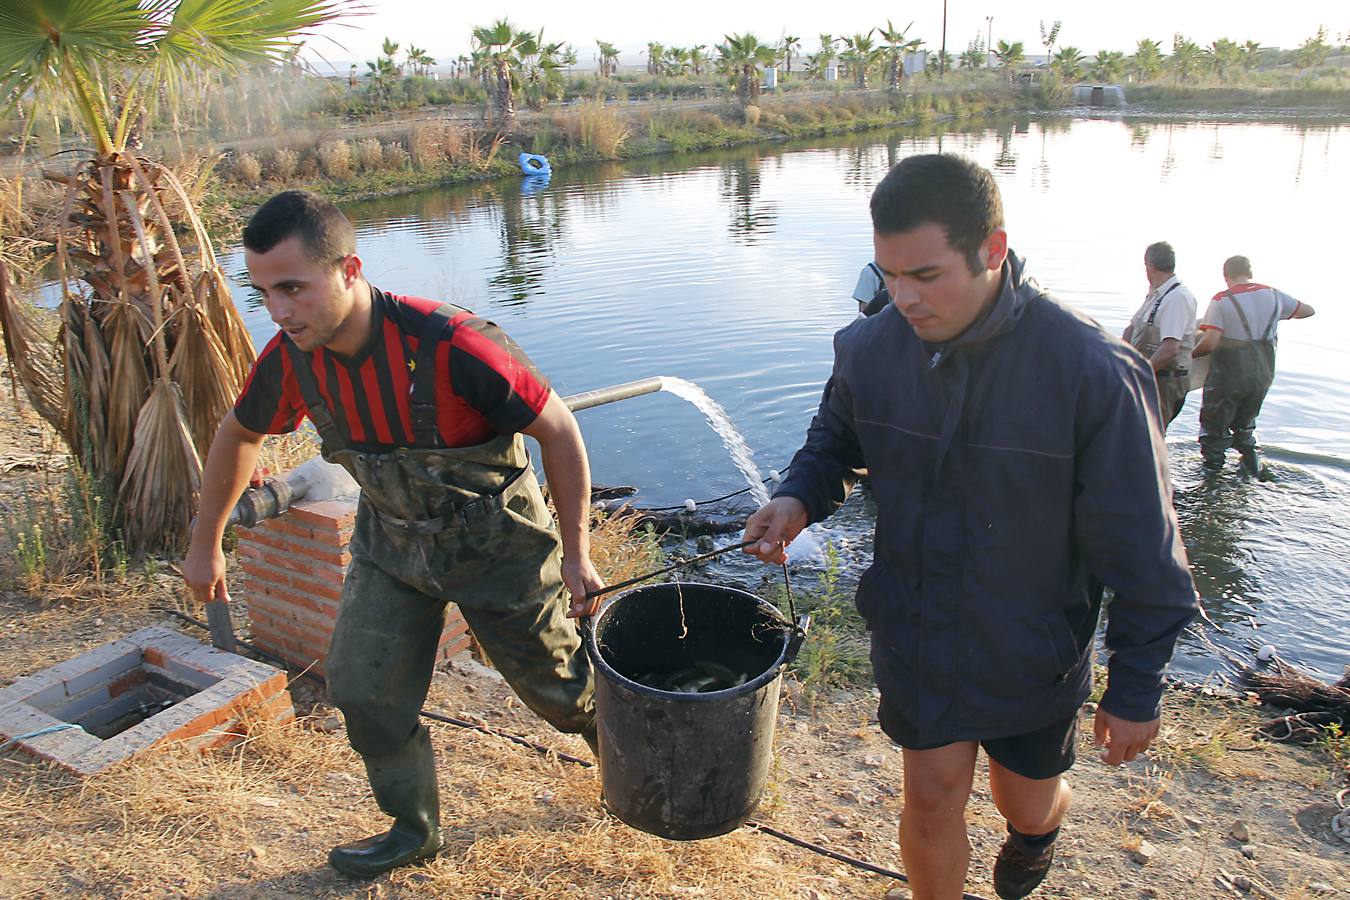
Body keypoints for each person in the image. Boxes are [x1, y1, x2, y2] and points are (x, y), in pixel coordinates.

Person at [742, 155, 1197, 900]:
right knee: (928, 796)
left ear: (993, 249)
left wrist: (1136, 683)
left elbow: (1144, 543)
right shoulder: (869, 348)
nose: (903, 298)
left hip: (1030, 646)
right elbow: (833, 444)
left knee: (1026, 796)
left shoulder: (1090, 370)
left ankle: (1036, 832)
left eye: (926, 275)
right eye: (888, 275)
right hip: (917, 628)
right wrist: (795, 500)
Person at [183, 190, 603, 879]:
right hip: (392, 548)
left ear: (349, 271)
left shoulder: (451, 343)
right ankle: (414, 829)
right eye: (263, 293)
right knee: (363, 691)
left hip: (498, 546)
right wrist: (206, 544)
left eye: (293, 287)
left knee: (561, 692)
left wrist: (578, 553)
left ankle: (632, 770)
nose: (280, 312)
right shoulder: (293, 357)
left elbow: (557, 428)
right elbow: (239, 433)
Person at [1192, 255, 1315, 476]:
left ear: (1226, 276)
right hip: (1262, 376)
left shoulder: (1222, 300)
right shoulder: (1274, 294)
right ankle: (1253, 472)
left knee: (1213, 433)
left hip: (1228, 379)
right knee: (1245, 427)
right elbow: (1307, 311)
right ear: (1250, 272)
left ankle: (1212, 480)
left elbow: (1209, 344)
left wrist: (1186, 356)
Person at [1121, 241, 1197, 428]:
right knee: (1135, 433)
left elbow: (1170, 349)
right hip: (1150, 377)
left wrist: (1139, 373)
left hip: (1165, 381)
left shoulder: (1177, 298)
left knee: (1151, 437)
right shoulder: (1155, 295)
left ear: (1149, 266)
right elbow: (1132, 329)